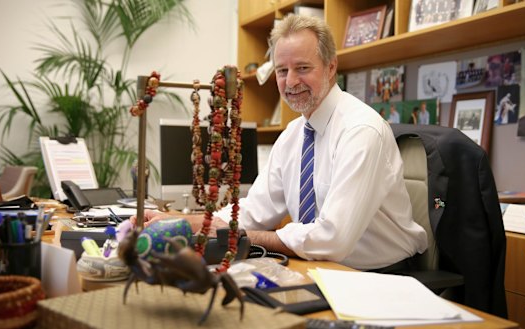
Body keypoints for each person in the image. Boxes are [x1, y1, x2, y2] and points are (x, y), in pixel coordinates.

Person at [134, 14, 427, 271]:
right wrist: (184, 222)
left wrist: (247, 236)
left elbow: (332, 239)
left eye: (302, 68)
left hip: (381, 276)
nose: (289, 82)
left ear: (330, 67)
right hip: (320, 267)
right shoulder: (292, 135)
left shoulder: (362, 131)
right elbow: (255, 211)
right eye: (282, 71)